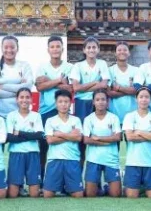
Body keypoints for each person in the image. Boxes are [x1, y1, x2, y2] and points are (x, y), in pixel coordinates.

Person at [35, 35, 72, 171]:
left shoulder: (69, 67)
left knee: (63, 145)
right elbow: (40, 87)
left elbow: (70, 88)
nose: (55, 49)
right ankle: (40, 178)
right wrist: (58, 81)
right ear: (48, 50)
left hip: (63, 111)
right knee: (43, 147)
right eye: (52, 47)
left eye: (58, 46)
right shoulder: (42, 67)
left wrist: (49, 81)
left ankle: (62, 177)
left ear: (62, 49)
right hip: (45, 111)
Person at [42, 89, 84, 198]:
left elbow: (78, 138)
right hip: (55, 160)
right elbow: (50, 140)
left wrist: (60, 134)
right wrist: (70, 136)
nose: (63, 104)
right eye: (60, 101)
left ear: (70, 103)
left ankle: (67, 187)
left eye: (66, 101)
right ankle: (61, 186)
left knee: (79, 195)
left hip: (72, 159)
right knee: (47, 195)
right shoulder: (50, 120)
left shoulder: (76, 120)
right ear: (56, 104)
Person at [123, 86, 151, 199]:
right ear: (136, 99)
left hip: (150, 162)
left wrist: (139, 132)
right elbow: (129, 137)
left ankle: (143, 186)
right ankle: (136, 187)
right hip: (133, 162)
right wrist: (149, 135)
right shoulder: (129, 116)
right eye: (141, 97)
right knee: (131, 196)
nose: (144, 100)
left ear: (150, 100)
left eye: (147, 97)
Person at [82, 89, 122, 198]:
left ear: (107, 102)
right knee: (90, 194)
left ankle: (107, 187)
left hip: (111, 159)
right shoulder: (88, 119)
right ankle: (98, 187)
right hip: (93, 159)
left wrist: (98, 138)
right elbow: (86, 140)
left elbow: (117, 137)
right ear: (93, 102)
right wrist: (107, 141)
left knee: (116, 194)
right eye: (98, 99)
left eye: (103, 99)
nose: (100, 102)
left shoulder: (113, 118)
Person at [5, 87, 44, 198]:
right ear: (17, 99)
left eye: (27, 97)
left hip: (33, 153)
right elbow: (9, 137)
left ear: (31, 99)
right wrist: (30, 135)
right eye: (21, 97)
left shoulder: (36, 115)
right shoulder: (11, 115)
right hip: (16, 153)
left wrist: (19, 132)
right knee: (12, 194)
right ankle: (17, 187)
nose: (24, 100)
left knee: (34, 194)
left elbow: (39, 135)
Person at [70, 36, 110, 125]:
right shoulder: (78, 65)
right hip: (81, 101)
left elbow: (104, 85)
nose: (91, 50)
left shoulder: (102, 64)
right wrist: (94, 82)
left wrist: (83, 88)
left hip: (98, 101)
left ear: (98, 49)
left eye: (94, 47)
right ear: (84, 50)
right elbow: (76, 88)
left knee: (98, 126)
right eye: (88, 47)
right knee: (82, 126)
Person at [0, 35, 34, 117]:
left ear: (17, 49)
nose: (9, 50)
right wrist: (19, 89)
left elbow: (28, 86)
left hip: (20, 115)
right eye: (6, 47)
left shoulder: (25, 66)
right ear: (1, 48)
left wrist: (3, 86)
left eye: (12, 47)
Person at [108, 41, 139, 124]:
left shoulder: (136, 70)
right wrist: (128, 91)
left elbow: (136, 90)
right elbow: (109, 93)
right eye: (119, 50)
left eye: (125, 50)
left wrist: (119, 88)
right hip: (114, 113)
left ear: (129, 53)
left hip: (133, 113)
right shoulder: (110, 70)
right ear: (115, 53)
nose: (122, 52)